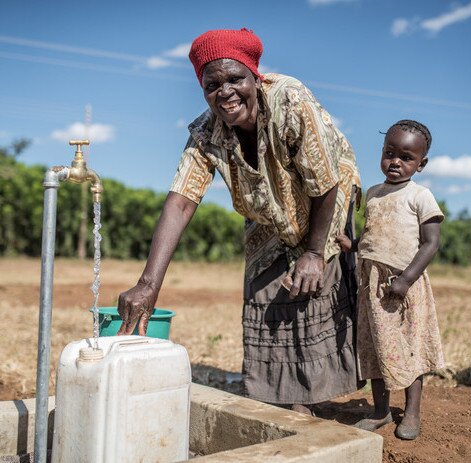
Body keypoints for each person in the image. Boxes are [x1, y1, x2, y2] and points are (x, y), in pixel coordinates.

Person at [117, 28, 362, 415]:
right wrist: (148, 285)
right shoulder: (205, 132)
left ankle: (312, 400)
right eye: (212, 85)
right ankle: (281, 401)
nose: (225, 92)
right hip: (266, 212)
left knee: (312, 288)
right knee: (268, 296)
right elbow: (180, 201)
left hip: (322, 204)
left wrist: (315, 251)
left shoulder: (290, 100)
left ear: (254, 76)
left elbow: (325, 179)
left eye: (235, 79)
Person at [336, 120, 445, 439]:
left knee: (408, 350)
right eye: (389, 153)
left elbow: (430, 243)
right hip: (372, 285)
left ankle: (411, 413)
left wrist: (406, 279)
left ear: (421, 164)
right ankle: (381, 411)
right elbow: (373, 236)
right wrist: (351, 245)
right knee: (373, 348)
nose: (395, 161)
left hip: (403, 287)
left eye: (406, 157)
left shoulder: (421, 196)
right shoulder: (373, 193)